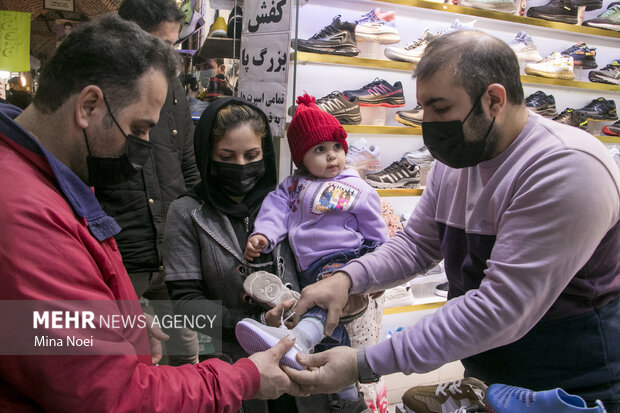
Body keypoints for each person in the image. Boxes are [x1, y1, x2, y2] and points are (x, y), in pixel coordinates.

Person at [286, 30, 620, 412]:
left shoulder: (565, 167)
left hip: (573, 386)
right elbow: (416, 245)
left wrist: (364, 363)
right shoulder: (458, 159)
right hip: (490, 370)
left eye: (441, 109)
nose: (427, 123)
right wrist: (348, 279)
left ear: (494, 99)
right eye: (424, 107)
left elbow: (499, 308)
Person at [0, 16, 302, 412]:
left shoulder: (38, 185)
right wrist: (240, 377)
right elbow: (109, 394)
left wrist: (116, 323)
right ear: (89, 106)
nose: (142, 150)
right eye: (139, 128)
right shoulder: (25, 214)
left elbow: (39, 333)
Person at [163, 96, 330, 412]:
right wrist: (254, 322)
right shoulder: (187, 213)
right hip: (235, 367)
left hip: (300, 352)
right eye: (227, 155)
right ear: (208, 156)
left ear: (264, 154)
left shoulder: (288, 202)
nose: (241, 166)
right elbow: (185, 304)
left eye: (252, 155)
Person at [235, 94, 388, 412]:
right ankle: (346, 395)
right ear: (301, 159)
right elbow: (275, 210)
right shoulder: (292, 187)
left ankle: (297, 340)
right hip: (309, 269)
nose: (332, 156)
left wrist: (380, 269)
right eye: (320, 150)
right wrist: (263, 234)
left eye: (337, 147)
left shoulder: (357, 188)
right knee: (330, 325)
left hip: (346, 260)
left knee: (320, 307)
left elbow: (377, 233)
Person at [94, 0, 201, 366]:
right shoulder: (101, 90)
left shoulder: (172, 86)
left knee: (187, 354)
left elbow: (187, 161)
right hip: (124, 253)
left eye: (172, 46)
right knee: (134, 360)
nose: (167, 57)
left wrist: (195, 229)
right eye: (158, 46)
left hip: (174, 252)